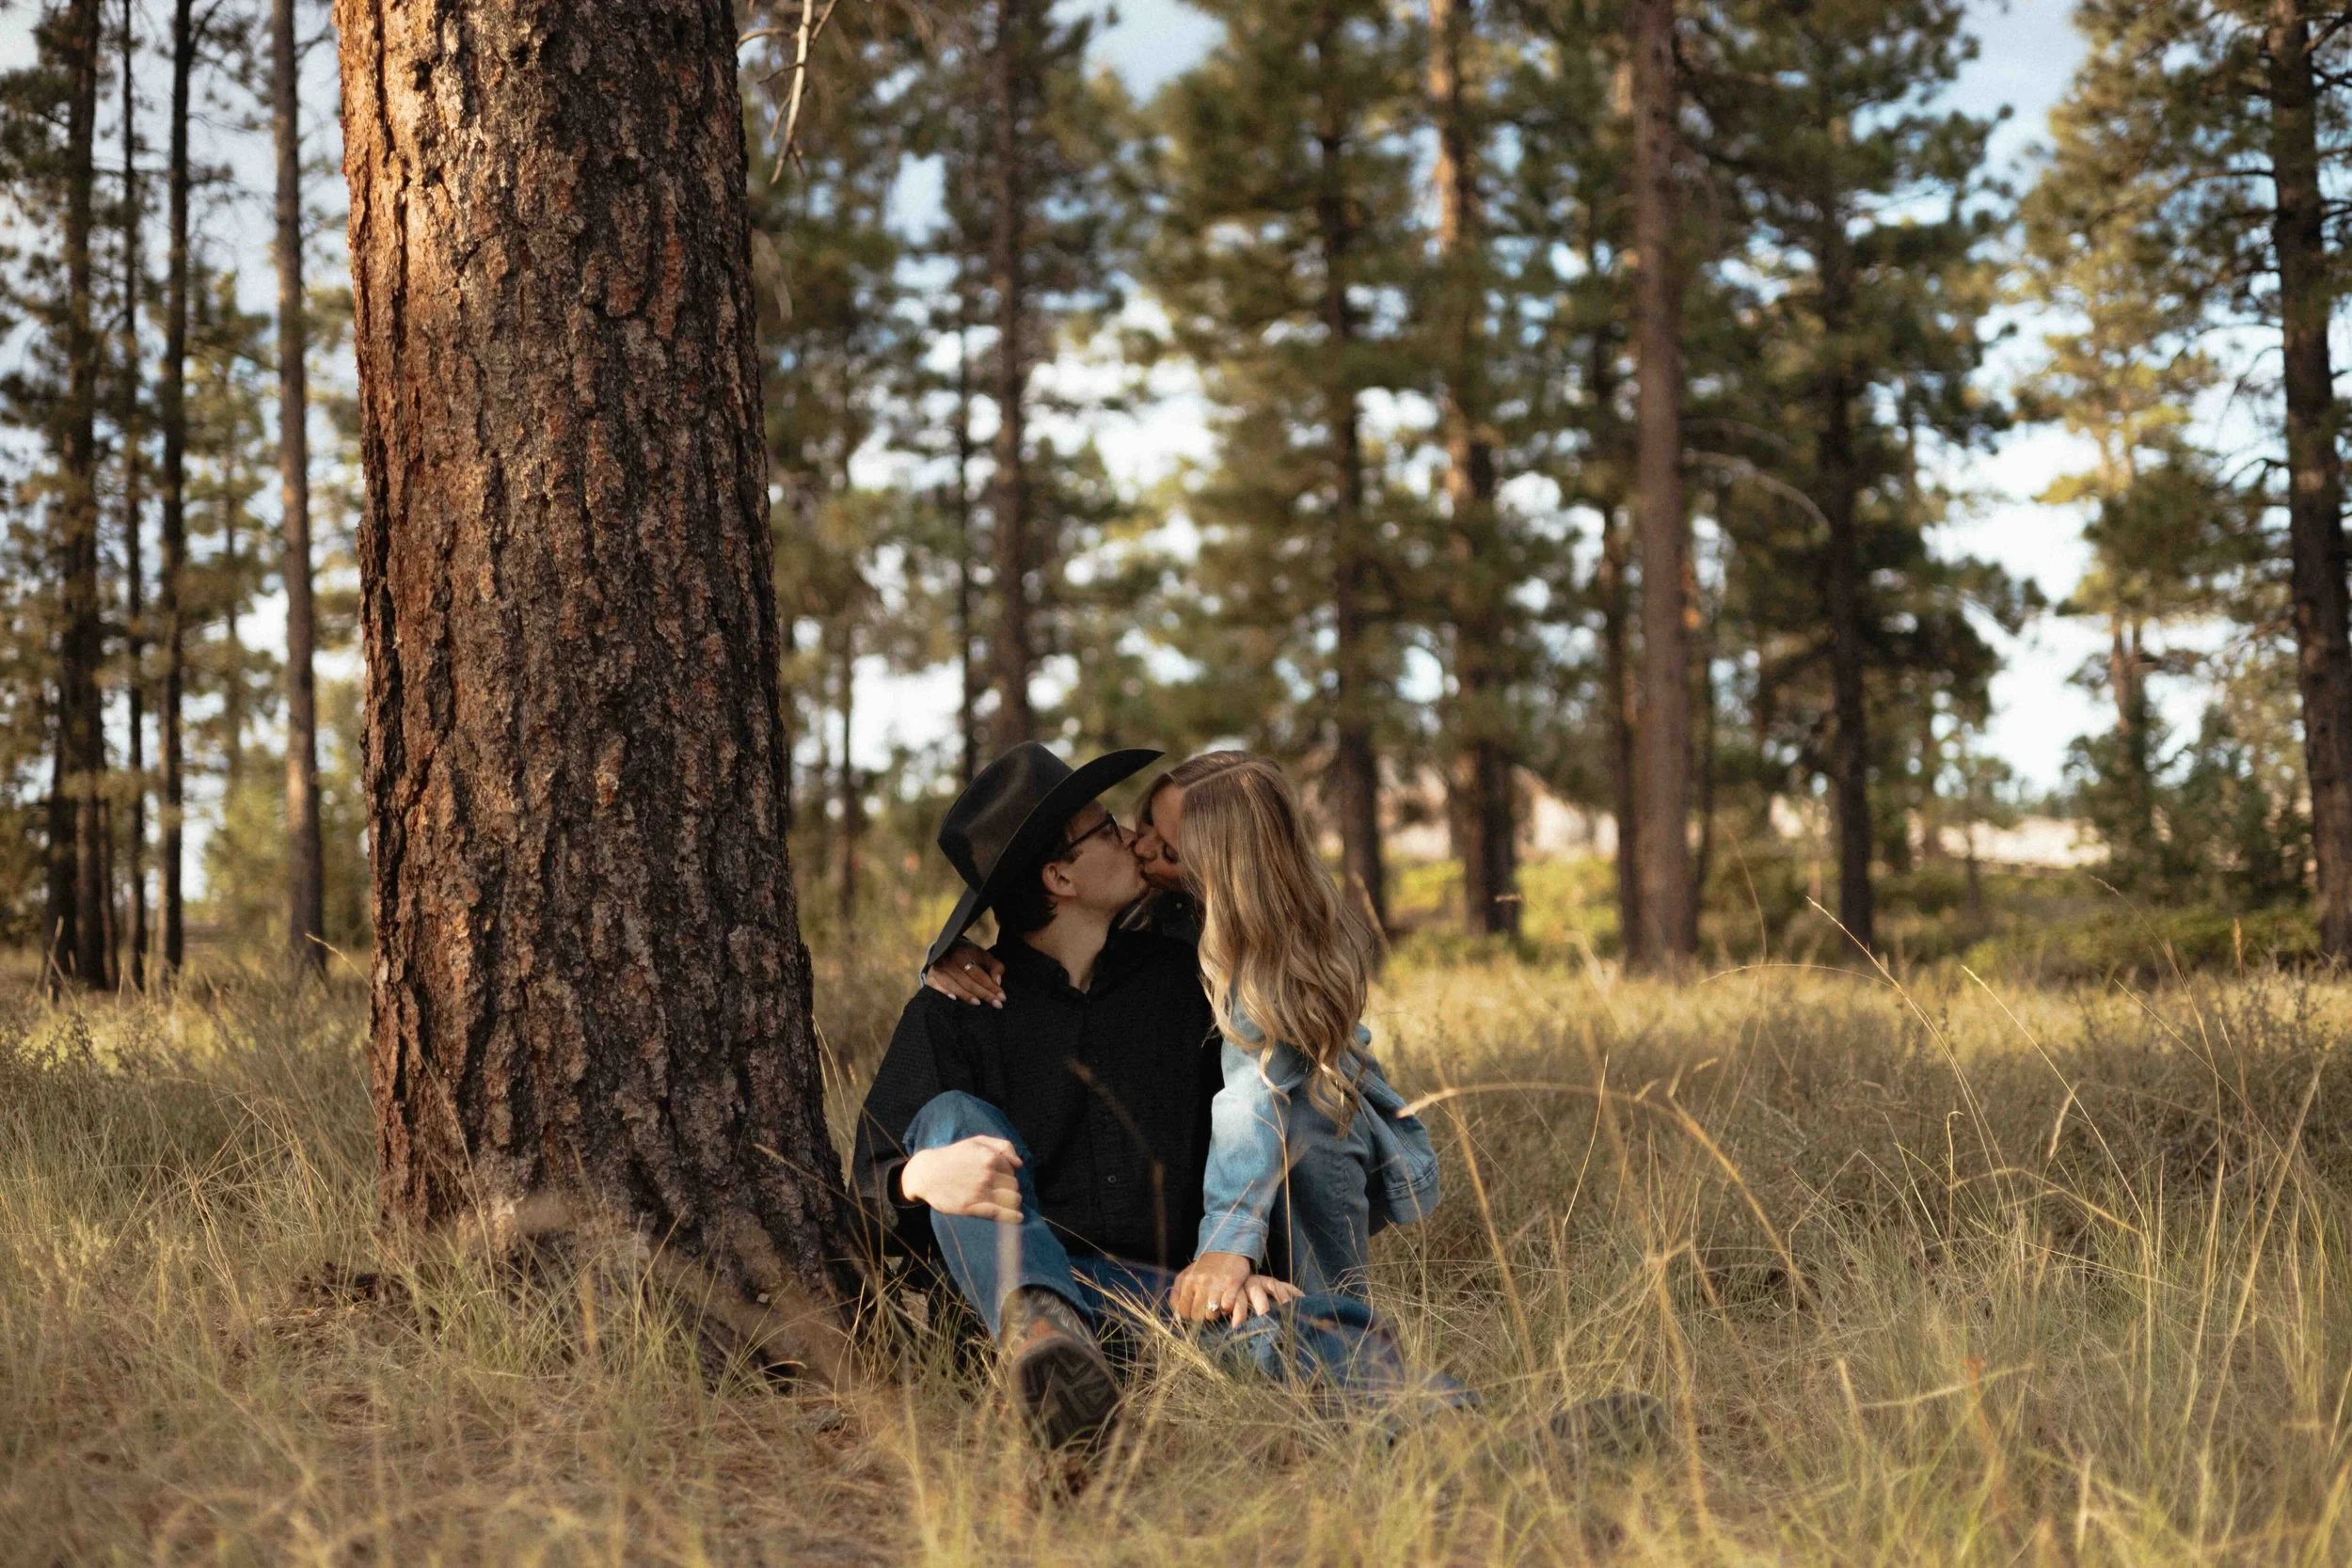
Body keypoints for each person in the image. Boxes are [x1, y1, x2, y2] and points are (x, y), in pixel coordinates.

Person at [855, 743, 1429, 1466]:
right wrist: (918, 1178)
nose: (1130, 838)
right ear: (1059, 875)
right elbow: (864, 1188)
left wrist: (1240, 1257)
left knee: (1331, 1333)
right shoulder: (955, 1013)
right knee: (949, 1122)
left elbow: (1259, 1109)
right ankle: (1049, 1340)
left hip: (1170, 1302)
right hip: (1016, 1315)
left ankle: (1477, 1437)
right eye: (1105, 829)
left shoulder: (1189, 981)